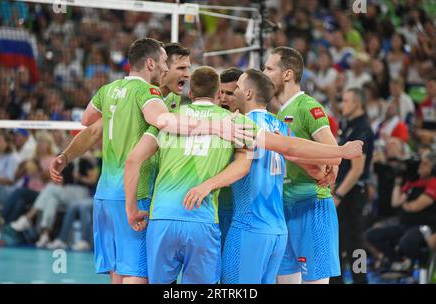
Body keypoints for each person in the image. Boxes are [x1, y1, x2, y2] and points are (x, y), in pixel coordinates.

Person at [124, 66, 363, 284]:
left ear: (248, 94)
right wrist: (332, 158)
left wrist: (338, 153)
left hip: (245, 227)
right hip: (277, 231)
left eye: (237, 88)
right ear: (217, 93)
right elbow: (292, 150)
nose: (231, 94)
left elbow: (136, 156)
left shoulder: (234, 123)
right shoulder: (277, 125)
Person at [49, 39, 254, 285]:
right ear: (156, 65)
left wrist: (64, 157)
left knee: (120, 271)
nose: (184, 74)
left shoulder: (143, 97)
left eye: (188, 69)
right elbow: (102, 132)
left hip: (108, 194)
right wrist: (219, 127)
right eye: (177, 67)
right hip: (138, 193)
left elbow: (91, 126)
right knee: (137, 274)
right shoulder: (153, 100)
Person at [264, 46, 341, 284]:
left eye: (269, 68)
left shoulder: (308, 106)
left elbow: (333, 153)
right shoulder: (277, 115)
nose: (263, 73)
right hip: (283, 208)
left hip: (311, 205)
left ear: (287, 74)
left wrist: (324, 169)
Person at [331, 88, 375, 284]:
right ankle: (337, 280)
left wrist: (338, 195)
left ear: (358, 103)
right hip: (343, 190)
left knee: (355, 243)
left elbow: (357, 169)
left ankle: (360, 280)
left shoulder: (362, 129)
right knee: (338, 241)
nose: (342, 105)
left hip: (353, 193)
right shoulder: (349, 126)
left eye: (346, 101)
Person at [365, 151, 436, 271]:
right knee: (371, 235)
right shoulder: (413, 182)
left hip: (424, 226)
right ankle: (401, 262)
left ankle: (423, 265)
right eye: (421, 163)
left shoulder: (433, 182)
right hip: (404, 225)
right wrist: (398, 182)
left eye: (425, 164)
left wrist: (405, 201)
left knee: (407, 243)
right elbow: (395, 202)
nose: (420, 166)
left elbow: (415, 206)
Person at [216, 67, 243, 247]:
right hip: (218, 208)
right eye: (221, 93)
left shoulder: (255, 123)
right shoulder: (212, 123)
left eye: (230, 93)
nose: (224, 98)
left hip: (243, 211)